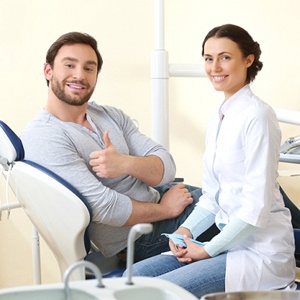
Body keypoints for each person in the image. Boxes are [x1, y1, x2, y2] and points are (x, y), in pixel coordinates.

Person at [124, 24, 297, 297]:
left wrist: (207, 249)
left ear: (248, 60)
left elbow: (255, 208)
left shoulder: (259, 117)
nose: (215, 67)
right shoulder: (219, 117)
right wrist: (185, 232)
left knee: (165, 292)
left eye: (225, 57)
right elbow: (211, 196)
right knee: (134, 278)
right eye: (208, 58)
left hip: (258, 253)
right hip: (227, 244)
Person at [20, 31, 219, 262]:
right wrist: (166, 210)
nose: (79, 75)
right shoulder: (44, 136)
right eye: (69, 65)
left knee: (234, 199)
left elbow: (166, 165)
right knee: (239, 219)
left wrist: (125, 163)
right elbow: (105, 207)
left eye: (88, 68)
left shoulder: (108, 114)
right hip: (137, 237)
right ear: (48, 71)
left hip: (162, 199)